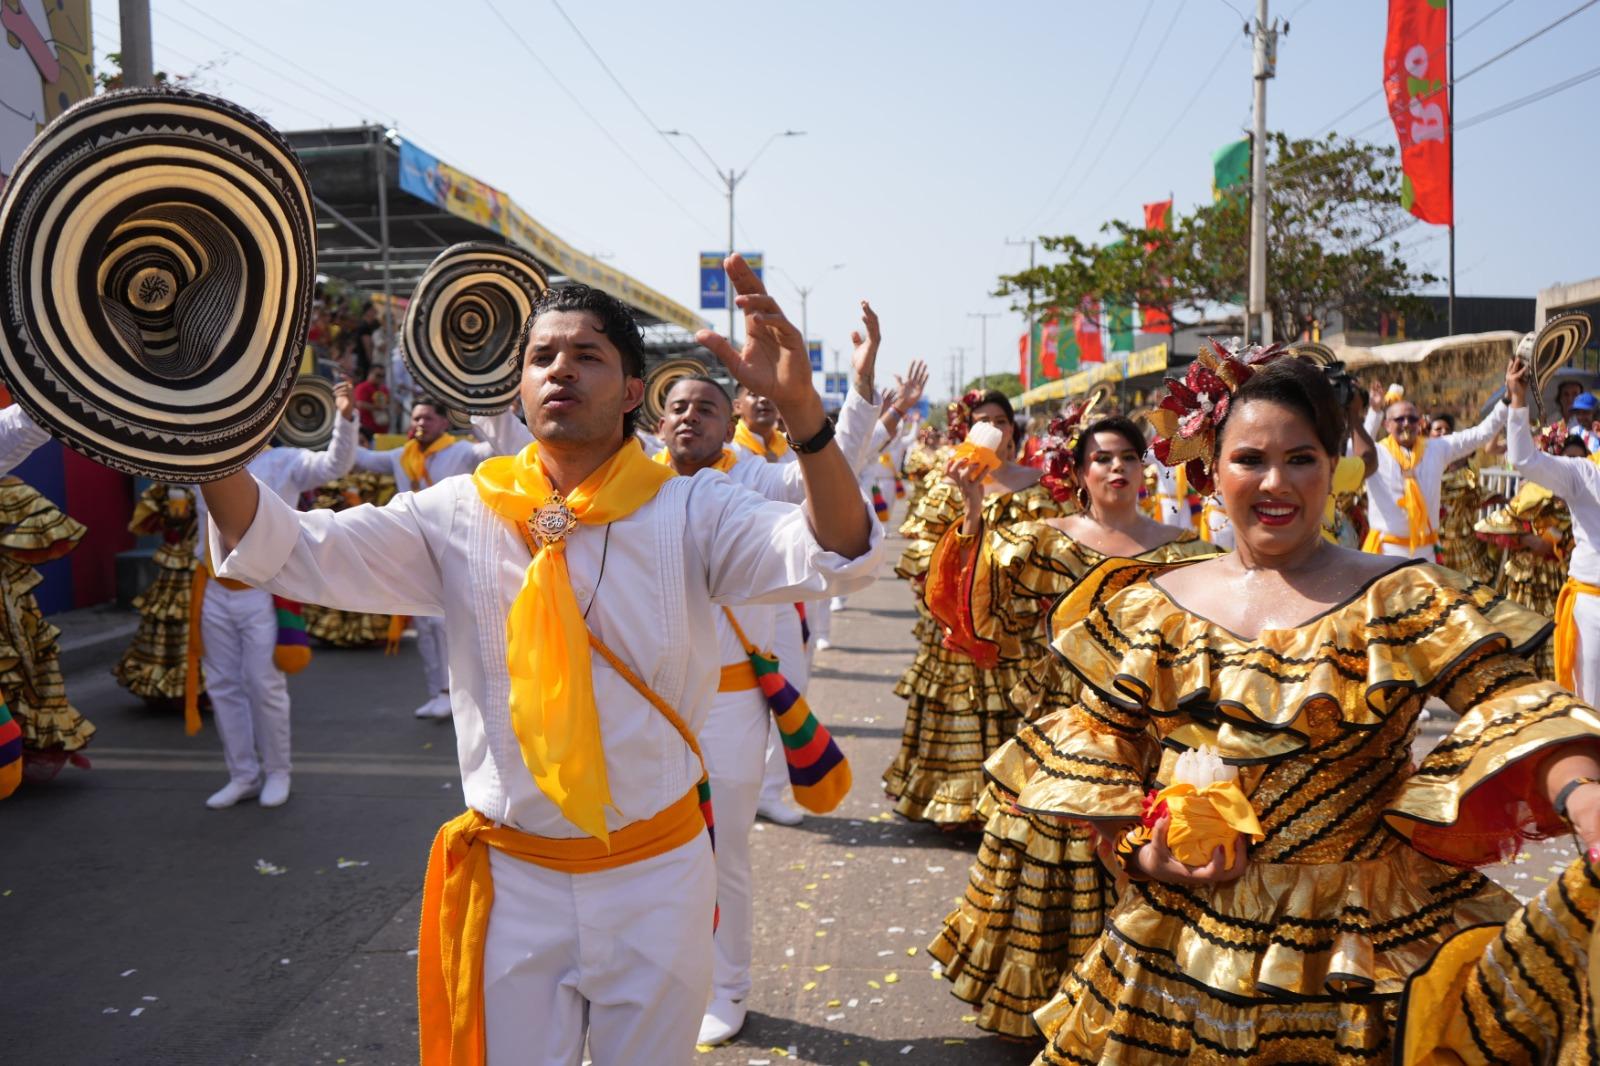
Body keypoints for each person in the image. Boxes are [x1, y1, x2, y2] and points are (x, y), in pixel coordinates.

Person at [200, 259, 878, 1065]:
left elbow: (835, 549)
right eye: (541, 357)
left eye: (588, 355)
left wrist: (807, 416)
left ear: (633, 392)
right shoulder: (460, 513)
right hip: (513, 881)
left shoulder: (691, 508)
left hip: (656, 874)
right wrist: (198, 425)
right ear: (518, 387)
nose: (561, 370)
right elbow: (282, 548)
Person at [991, 352, 1600, 1064]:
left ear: (1336, 468)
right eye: (1250, 458)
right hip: (1184, 948)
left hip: (1367, 942)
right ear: (1211, 471)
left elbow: (1514, 698)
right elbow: (1100, 751)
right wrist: (1147, 850)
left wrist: (1586, 799)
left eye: (1302, 458)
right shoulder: (1153, 606)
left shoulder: (1403, 594)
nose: (1275, 483)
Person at [926, 412, 1211, 1038]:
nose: (1117, 467)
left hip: (1153, 735)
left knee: (1149, 863)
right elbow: (972, 608)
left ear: (1144, 469)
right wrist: (972, 509)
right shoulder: (1044, 539)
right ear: (1080, 474)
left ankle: (1129, 1015)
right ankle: (1050, 1006)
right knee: (1056, 861)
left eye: (1129, 457)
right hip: (1067, 726)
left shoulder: (1184, 549)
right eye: (1103, 458)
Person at [650, 362, 880, 1046]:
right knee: (647, 852)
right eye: (678, 406)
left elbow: (839, 466)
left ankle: (728, 989)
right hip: (644, 705)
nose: (689, 416)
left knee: (723, 855)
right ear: (656, 422)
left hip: (726, 703)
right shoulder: (632, 483)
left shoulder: (757, 477)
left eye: (706, 408)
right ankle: (665, 977)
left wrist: (860, 390)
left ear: (730, 425)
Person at [883, 388, 1069, 826]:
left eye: (1001, 421)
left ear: (1013, 431)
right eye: (981, 420)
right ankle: (954, 806)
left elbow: (1059, 552)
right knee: (958, 706)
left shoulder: (1040, 484)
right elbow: (925, 556)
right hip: (959, 626)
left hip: (1020, 625)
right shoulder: (942, 484)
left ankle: (1016, 802)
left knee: (1017, 705)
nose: (993, 428)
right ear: (965, 432)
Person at [192, 382, 358, 810]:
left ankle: (278, 772)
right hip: (213, 588)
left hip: (261, 591)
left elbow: (335, 465)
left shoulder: (285, 462)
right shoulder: (202, 461)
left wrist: (345, 416)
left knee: (263, 683)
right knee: (223, 685)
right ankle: (242, 774)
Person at [352, 398, 532, 719]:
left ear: (444, 423)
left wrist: (491, 405)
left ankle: (470, 694)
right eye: (417, 418)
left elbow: (505, 450)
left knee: (458, 627)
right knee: (425, 627)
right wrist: (345, 418)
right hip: (415, 550)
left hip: (457, 549)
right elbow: (361, 459)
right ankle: (438, 692)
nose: (420, 424)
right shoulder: (401, 456)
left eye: (428, 419)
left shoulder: (463, 452)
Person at [1506, 357, 1600, 702]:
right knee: (1591, 712)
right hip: (1594, 612)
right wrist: (1518, 400)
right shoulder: (1584, 474)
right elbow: (1525, 460)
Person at [1362, 379, 1507, 558]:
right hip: (1386, 554)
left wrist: (1508, 400)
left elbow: (1481, 433)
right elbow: (1356, 449)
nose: (1406, 423)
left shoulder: (1435, 448)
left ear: (1420, 423)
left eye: (1412, 419)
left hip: (1425, 555)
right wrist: (1374, 412)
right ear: (1387, 424)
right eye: (1399, 419)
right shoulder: (1376, 453)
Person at [114, 483, 202, 703]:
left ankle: (204, 684)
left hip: (208, 563)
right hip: (183, 563)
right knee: (176, 616)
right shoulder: (173, 484)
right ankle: (180, 685)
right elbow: (166, 525)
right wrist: (174, 509)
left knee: (207, 620)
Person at [352, 364, 392, 440]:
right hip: (366, 431)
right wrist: (377, 407)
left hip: (382, 431)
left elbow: (389, 404)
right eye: (378, 375)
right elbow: (359, 404)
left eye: (383, 376)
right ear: (370, 374)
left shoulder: (384, 389)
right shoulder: (362, 387)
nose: (380, 378)